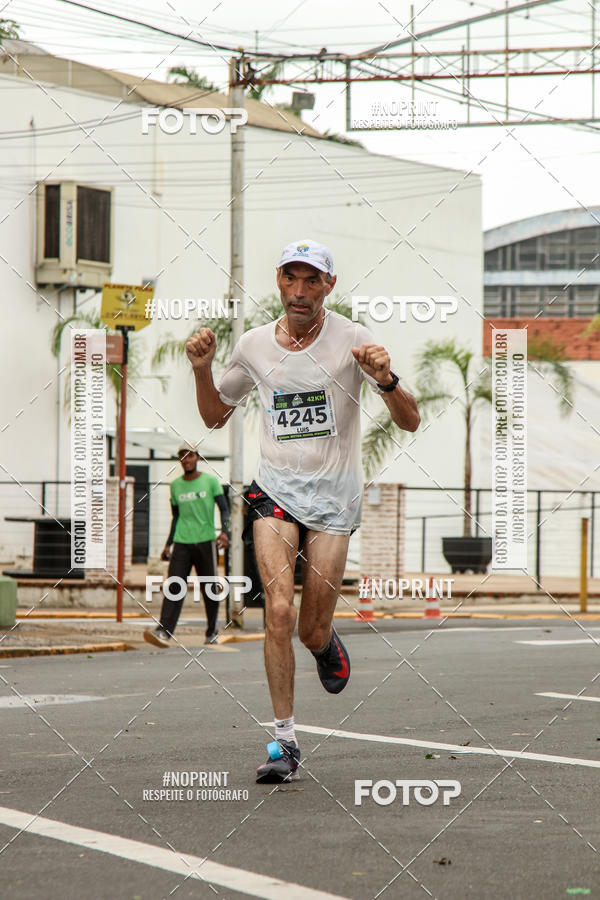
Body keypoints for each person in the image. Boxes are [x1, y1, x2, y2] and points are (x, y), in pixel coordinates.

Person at [185, 239, 420, 782]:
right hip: (274, 492)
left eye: (311, 280)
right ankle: (285, 743)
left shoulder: (354, 340)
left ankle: (323, 643)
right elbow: (217, 416)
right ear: (278, 281)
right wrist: (202, 370)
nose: (299, 290)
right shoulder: (253, 345)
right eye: (291, 278)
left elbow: (408, 421)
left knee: (311, 628)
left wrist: (385, 379)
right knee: (279, 612)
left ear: (328, 287)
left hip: (334, 498)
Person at [144, 442, 230, 648]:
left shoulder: (210, 482)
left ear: (198, 458)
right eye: (183, 456)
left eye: (190, 456)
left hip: (205, 540)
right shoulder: (175, 486)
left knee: (209, 587)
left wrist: (225, 532)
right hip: (182, 542)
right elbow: (176, 517)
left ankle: (211, 632)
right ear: (180, 460)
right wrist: (168, 544)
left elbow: (224, 510)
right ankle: (164, 631)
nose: (187, 460)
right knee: (174, 586)